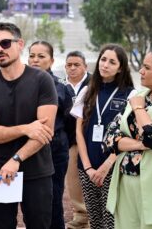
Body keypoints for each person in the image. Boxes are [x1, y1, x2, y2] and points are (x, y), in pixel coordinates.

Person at [0, 22, 58, 229]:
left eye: (5, 43)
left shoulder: (42, 80)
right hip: (0, 171)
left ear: (20, 44)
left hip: (37, 171)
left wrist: (16, 159)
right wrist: (25, 128)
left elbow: (44, 132)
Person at [70, 44, 135, 229]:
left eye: (112, 62)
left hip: (113, 169)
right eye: (103, 59)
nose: (105, 65)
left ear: (120, 67)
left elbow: (128, 135)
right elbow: (79, 133)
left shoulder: (130, 95)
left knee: (111, 221)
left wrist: (106, 165)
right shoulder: (87, 91)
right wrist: (88, 167)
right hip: (87, 168)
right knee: (95, 221)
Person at [104, 46, 152, 229]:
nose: (141, 71)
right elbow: (110, 139)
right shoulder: (138, 96)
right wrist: (142, 144)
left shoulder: (138, 102)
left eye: (147, 68)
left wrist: (139, 110)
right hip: (125, 180)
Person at [28, 41, 73, 229]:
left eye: (41, 56)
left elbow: (70, 121)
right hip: (27, 151)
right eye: (32, 55)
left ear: (52, 60)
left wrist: (60, 142)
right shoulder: (22, 84)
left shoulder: (62, 88)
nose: (35, 60)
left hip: (55, 151)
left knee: (53, 199)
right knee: (31, 202)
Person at [64, 51, 91, 229]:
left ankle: (99, 216)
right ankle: (81, 215)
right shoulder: (59, 85)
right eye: (69, 65)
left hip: (92, 140)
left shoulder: (95, 83)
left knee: (95, 178)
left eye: (77, 65)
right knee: (73, 179)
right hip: (70, 140)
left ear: (85, 67)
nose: (72, 68)